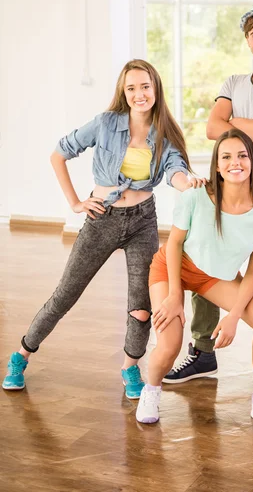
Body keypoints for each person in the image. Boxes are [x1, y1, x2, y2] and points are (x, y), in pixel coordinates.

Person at [2, 59, 201, 400]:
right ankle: (21, 355)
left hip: (143, 221)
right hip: (101, 218)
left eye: (145, 87)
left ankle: (129, 366)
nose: (139, 94)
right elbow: (58, 154)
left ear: (156, 89)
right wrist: (76, 203)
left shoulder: (166, 132)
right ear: (123, 93)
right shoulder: (106, 123)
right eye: (131, 88)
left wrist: (189, 183)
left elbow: (175, 171)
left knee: (140, 305)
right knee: (65, 294)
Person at [163, 2, 253, 388]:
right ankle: (203, 351)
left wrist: (237, 124)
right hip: (221, 195)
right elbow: (214, 130)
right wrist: (252, 126)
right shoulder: (232, 83)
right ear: (247, 40)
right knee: (208, 268)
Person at [136, 129, 253, 432]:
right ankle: (150, 390)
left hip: (215, 277)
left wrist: (234, 316)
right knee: (170, 345)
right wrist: (173, 297)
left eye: (242, 155)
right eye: (227, 157)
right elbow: (174, 244)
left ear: (252, 163)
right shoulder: (195, 197)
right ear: (217, 166)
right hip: (174, 267)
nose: (235, 162)